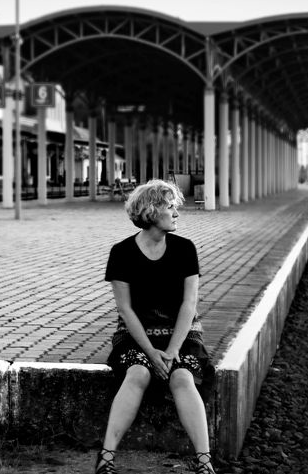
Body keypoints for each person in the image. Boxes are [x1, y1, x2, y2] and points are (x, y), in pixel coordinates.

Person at [94, 179, 215, 474]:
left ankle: (205, 462)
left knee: (183, 377)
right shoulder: (121, 253)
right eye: (170, 206)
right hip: (135, 335)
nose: (177, 213)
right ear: (150, 211)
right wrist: (149, 352)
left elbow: (189, 306)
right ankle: (106, 458)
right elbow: (125, 309)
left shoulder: (185, 249)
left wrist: (172, 352)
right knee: (137, 373)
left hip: (181, 334)